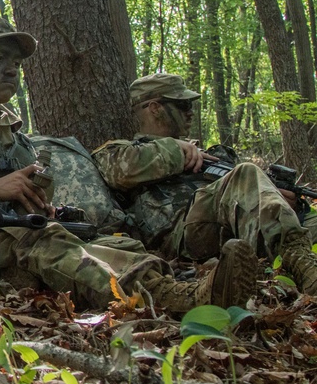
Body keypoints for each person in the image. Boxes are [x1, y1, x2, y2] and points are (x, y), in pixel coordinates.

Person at [0, 18, 258, 312]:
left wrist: (37, 203)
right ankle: (176, 302)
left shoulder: (8, 127)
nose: (11, 69)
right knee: (37, 239)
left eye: (16, 62)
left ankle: (177, 286)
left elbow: (17, 192)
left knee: (99, 240)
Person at [93, 73, 317, 295]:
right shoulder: (121, 150)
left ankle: (301, 263)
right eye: (183, 105)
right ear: (155, 108)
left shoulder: (211, 154)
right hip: (183, 232)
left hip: (235, 226)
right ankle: (307, 272)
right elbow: (118, 171)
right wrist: (176, 150)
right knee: (246, 173)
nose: (191, 112)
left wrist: (279, 199)